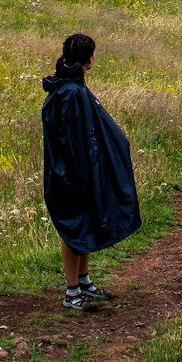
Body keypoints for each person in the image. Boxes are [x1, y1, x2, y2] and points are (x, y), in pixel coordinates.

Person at [41, 33, 141, 311]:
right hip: (72, 175)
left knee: (85, 224)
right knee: (74, 228)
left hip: (78, 171)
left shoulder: (70, 87)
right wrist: (85, 173)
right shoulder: (71, 93)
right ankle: (71, 292)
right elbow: (74, 141)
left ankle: (84, 281)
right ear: (89, 59)